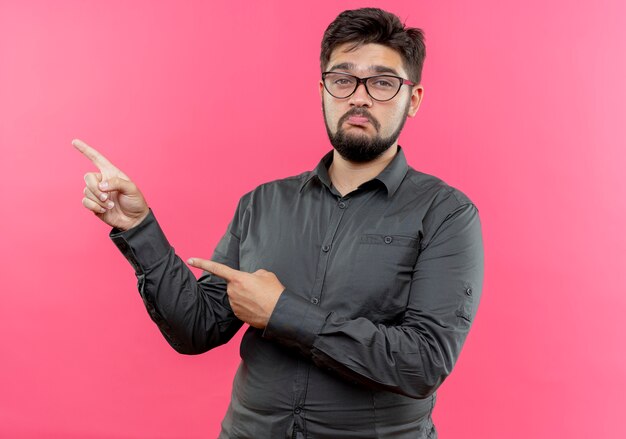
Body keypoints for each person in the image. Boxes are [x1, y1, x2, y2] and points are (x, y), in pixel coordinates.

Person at [75, 7, 483, 439]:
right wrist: (139, 227)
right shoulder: (262, 204)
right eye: (342, 79)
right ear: (323, 90)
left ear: (412, 99)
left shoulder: (447, 214)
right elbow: (197, 328)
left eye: (382, 83)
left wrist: (282, 313)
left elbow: (423, 362)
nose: (359, 97)